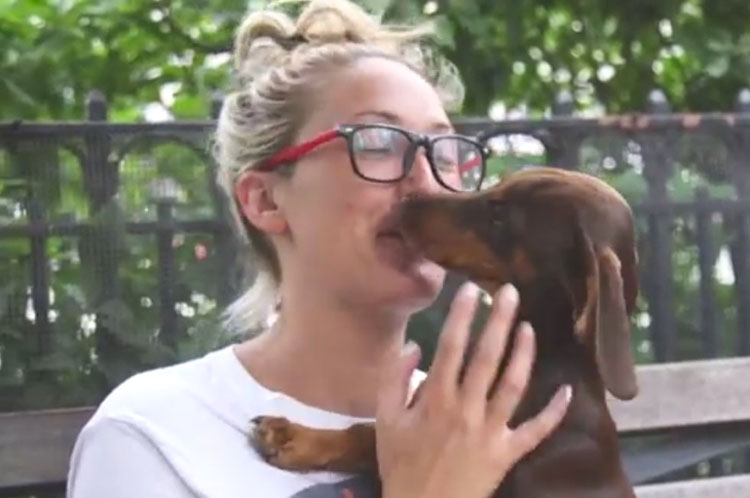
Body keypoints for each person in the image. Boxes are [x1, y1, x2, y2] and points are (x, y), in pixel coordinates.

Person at [66, 1, 571, 497]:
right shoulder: (155, 435)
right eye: (378, 142)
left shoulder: (488, 426)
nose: (428, 184)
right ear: (265, 200)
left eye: (445, 152)